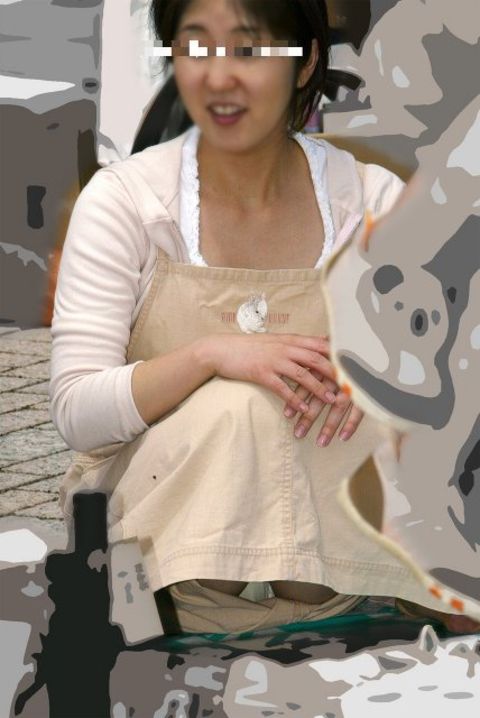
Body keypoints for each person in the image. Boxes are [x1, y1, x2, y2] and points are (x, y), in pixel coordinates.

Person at [49, 0, 475, 635]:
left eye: (248, 50)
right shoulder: (126, 202)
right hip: (160, 556)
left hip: (341, 571)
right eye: (196, 48)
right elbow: (77, 411)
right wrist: (211, 357)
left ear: (305, 63)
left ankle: (395, 592)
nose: (219, 76)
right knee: (239, 407)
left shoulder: (369, 201)